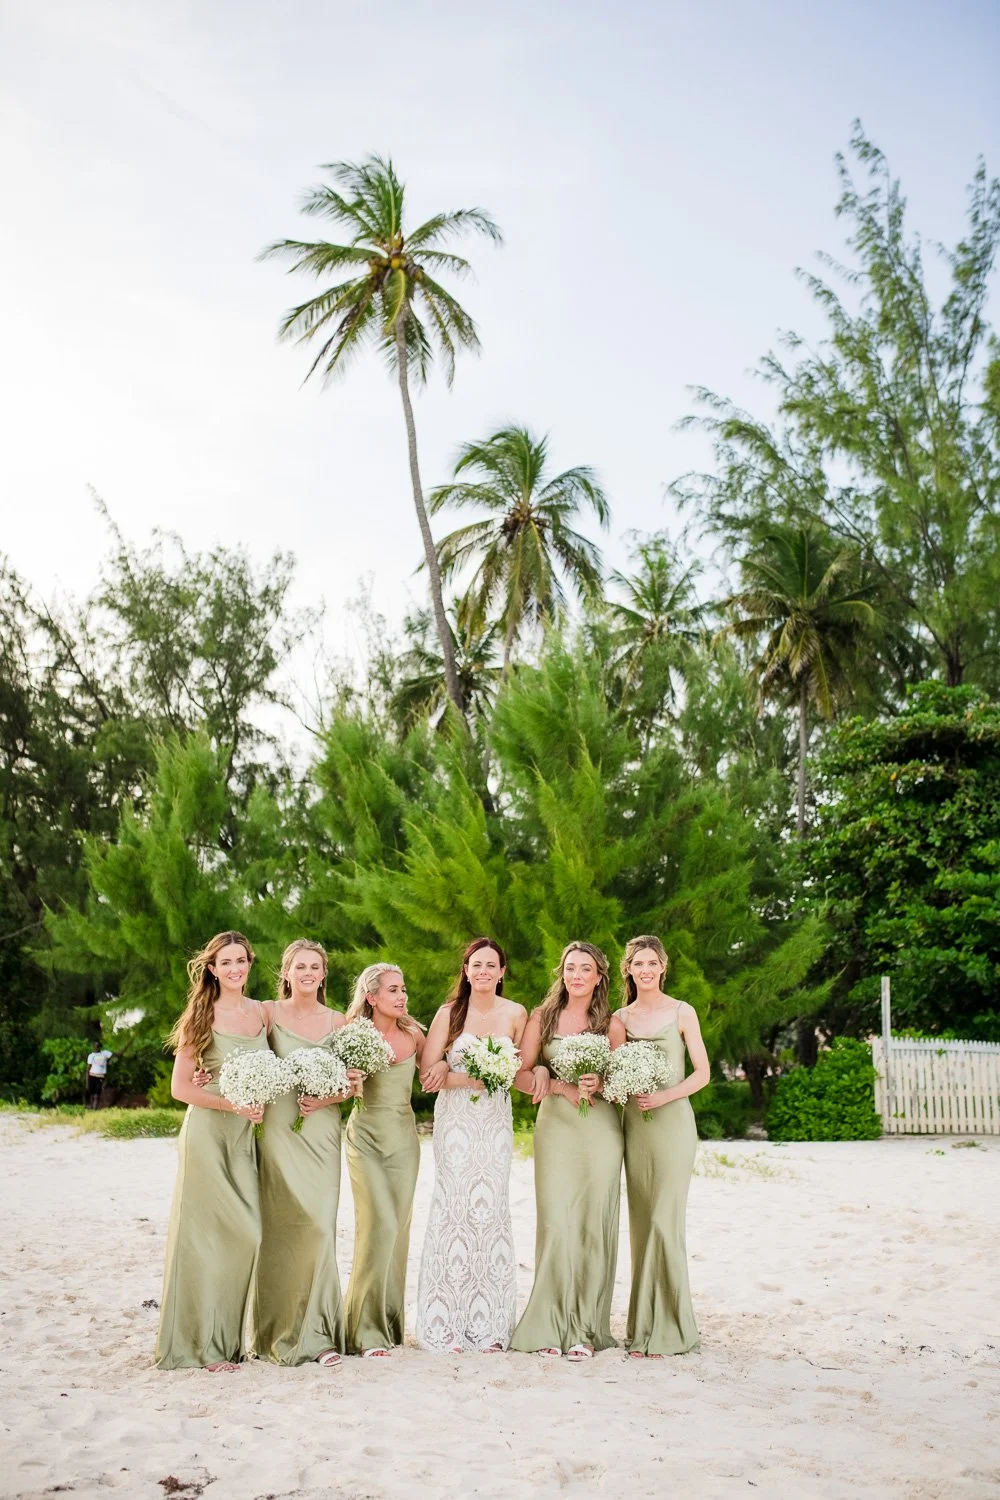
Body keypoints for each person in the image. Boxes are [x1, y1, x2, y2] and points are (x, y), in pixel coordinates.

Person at [155, 931, 267, 1372]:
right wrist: (228, 1102)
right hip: (207, 1132)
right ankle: (203, 1348)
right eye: (226, 962)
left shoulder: (261, 1013)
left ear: (249, 964)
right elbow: (180, 1087)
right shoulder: (199, 1016)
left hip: (245, 1136)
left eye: (241, 960)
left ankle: (227, 1341)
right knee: (203, 1239)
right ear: (213, 969)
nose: (235, 968)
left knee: (247, 1235)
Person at [510, 941, 623, 1360]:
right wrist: (551, 1078)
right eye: (570, 968)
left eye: (586, 969)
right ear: (561, 973)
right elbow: (518, 1076)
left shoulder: (611, 1023)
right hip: (556, 1127)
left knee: (593, 1224)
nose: (577, 975)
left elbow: (622, 1083)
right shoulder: (543, 1018)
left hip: (600, 1130)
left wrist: (600, 1084)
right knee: (557, 1222)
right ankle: (549, 1324)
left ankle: (585, 1329)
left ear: (599, 977)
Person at [252, 940, 360, 1370]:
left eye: (316, 966)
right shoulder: (267, 1013)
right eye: (301, 966)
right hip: (277, 1129)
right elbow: (239, 1052)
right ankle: (274, 1334)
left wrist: (328, 1096)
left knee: (319, 1226)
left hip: (320, 1130)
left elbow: (354, 1085)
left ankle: (318, 1335)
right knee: (280, 1230)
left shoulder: (339, 1020)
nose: (308, 972)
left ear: (324, 973)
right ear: (286, 971)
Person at [416, 938, 525, 1353]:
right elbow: (428, 1075)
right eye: (474, 964)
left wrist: (497, 1075)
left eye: (490, 965)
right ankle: (447, 1320)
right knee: (454, 1208)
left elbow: (521, 1069)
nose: (481, 971)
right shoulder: (450, 1013)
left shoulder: (516, 1013)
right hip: (457, 1122)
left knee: (490, 1210)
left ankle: (490, 1325)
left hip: (494, 1123)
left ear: (501, 972)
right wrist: (460, 1073)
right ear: (465, 971)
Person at [612, 934, 709, 1358]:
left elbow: (702, 1073)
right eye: (639, 963)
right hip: (636, 1125)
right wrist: (624, 1088)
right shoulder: (619, 1018)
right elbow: (616, 1075)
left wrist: (665, 1096)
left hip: (673, 1123)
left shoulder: (682, 1011)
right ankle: (643, 1327)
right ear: (628, 970)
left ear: (663, 966)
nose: (646, 970)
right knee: (643, 1220)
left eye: (652, 962)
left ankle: (670, 1329)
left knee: (665, 1218)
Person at [342, 963, 423, 1358]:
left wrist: (485, 1065)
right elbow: (330, 1078)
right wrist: (347, 1081)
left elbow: (438, 1071)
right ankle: (363, 1330)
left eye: (403, 988)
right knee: (378, 1225)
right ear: (371, 997)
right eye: (393, 990)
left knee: (398, 1232)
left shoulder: (414, 1035)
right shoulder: (353, 1034)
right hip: (365, 1139)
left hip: (404, 1142)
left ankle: (388, 1326)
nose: (401, 996)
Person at [85, 1043, 113, 1108]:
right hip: (92, 1075)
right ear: (93, 1047)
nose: (96, 1048)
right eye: (95, 1046)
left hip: (100, 1076)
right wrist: (87, 1080)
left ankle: (94, 1109)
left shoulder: (105, 1053)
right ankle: (91, 1107)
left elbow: (114, 1056)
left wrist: (109, 1062)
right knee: (91, 1094)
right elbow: (88, 1068)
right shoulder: (91, 1055)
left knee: (97, 1094)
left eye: (97, 1046)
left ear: (100, 1047)